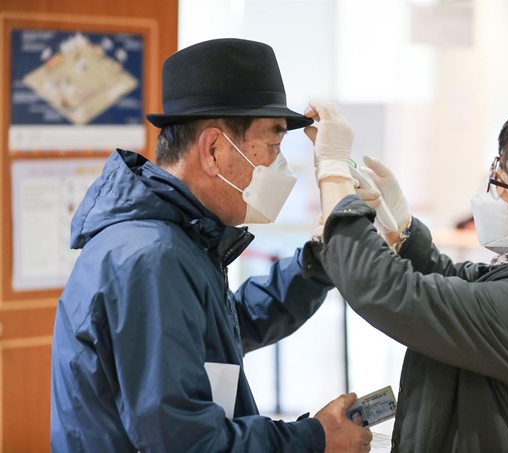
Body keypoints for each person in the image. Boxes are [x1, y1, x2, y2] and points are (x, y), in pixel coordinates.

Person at [50, 39, 372, 453]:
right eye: (273, 147)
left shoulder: (176, 236)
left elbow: (227, 324)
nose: (280, 166)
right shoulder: (150, 257)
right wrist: (315, 439)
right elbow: (185, 442)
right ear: (215, 150)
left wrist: (321, 255)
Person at [302, 103, 508, 452]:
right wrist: (400, 227)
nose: (490, 187)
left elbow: (389, 291)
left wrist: (334, 177)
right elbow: (462, 285)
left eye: (502, 178)